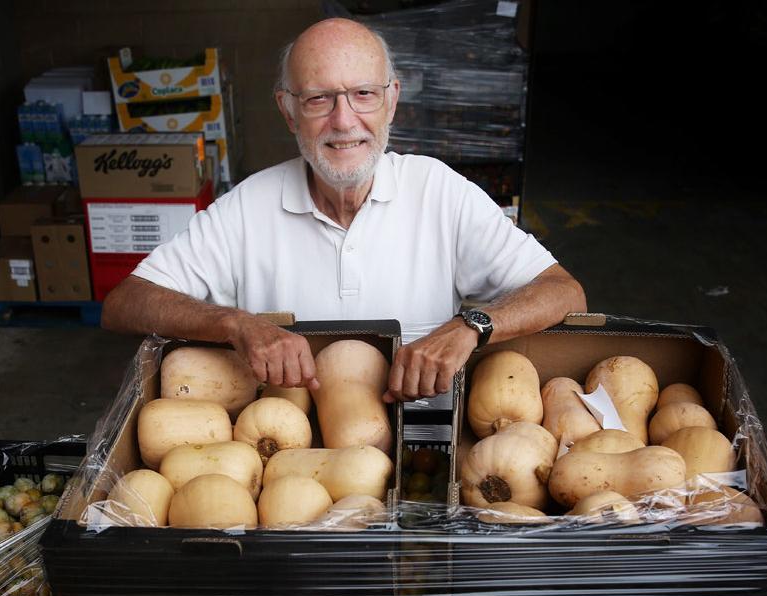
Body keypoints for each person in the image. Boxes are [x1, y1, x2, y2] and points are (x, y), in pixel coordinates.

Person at [102, 18, 586, 402]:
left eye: (363, 94)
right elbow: (124, 303)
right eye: (319, 99)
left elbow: (564, 293)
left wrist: (473, 326)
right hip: (284, 452)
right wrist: (236, 324)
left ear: (391, 101)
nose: (343, 120)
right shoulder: (247, 207)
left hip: (420, 440)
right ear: (287, 110)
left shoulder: (439, 191)